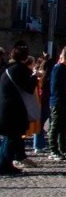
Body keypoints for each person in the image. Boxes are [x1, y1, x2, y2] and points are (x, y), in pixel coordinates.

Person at [0, 44, 38, 176]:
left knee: (10, 138)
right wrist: (35, 77)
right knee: (12, 138)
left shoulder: (9, 68)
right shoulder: (19, 70)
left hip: (7, 107)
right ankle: (4, 165)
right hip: (13, 109)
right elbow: (28, 88)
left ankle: (6, 164)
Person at [48, 46, 66, 161]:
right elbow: (55, 86)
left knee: (64, 127)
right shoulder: (58, 68)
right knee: (55, 127)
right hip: (58, 101)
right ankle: (53, 150)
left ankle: (62, 148)